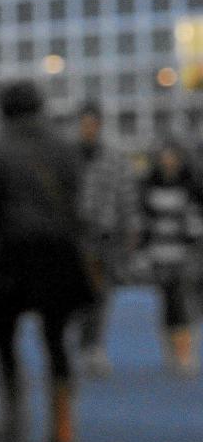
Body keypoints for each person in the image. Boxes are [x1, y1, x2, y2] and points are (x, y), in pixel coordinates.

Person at [0, 82, 97, 442]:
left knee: (3, 335)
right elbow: (78, 196)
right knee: (56, 338)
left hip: (12, 253)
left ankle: (14, 418)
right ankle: (62, 424)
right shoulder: (63, 146)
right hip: (59, 251)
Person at [75, 102, 140, 377]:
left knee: (100, 294)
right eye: (83, 123)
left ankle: (94, 346)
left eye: (92, 123)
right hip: (75, 236)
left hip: (104, 235)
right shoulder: (67, 156)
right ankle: (83, 343)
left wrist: (131, 229)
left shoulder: (114, 158)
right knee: (76, 294)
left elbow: (127, 196)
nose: (88, 128)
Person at [140, 141, 203, 377]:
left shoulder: (192, 185)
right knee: (167, 300)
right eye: (164, 156)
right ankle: (171, 348)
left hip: (185, 253)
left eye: (172, 156)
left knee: (182, 299)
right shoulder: (148, 185)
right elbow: (144, 221)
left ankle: (186, 352)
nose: (168, 160)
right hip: (159, 252)